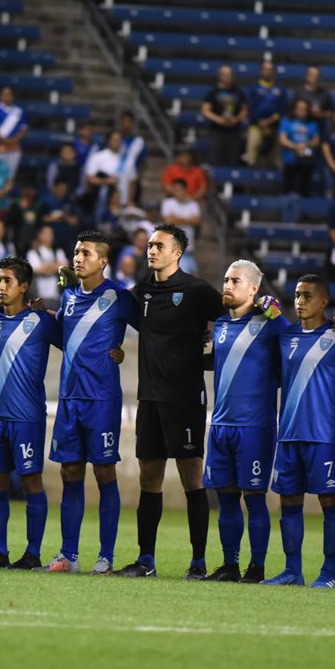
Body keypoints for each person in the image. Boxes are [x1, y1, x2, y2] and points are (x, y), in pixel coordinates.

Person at [117, 223, 225, 580]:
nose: (151, 250)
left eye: (159, 245)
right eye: (149, 245)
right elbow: (113, 312)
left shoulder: (196, 290)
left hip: (185, 398)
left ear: (177, 253)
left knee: (192, 477)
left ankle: (198, 562)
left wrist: (210, 354)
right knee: (150, 479)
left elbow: (232, 319)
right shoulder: (141, 291)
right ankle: (145, 559)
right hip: (149, 396)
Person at [38, 230, 133, 574]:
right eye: (76, 252)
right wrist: (43, 316)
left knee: (104, 471)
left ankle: (105, 557)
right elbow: (66, 339)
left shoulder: (120, 296)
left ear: (103, 262)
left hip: (102, 398)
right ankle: (69, 556)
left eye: (86, 253)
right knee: (70, 472)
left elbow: (151, 328)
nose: (78, 258)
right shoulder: (69, 297)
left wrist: (120, 351)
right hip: (69, 397)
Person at [263, 274, 335, 588]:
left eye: (307, 296)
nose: (300, 302)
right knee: (289, 502)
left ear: (324, 301)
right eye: (298, 296)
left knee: (329, 502)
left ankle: (329, 574)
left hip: (324, 437)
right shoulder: (285, 337)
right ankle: (293, 571)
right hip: (288, 435)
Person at [0, 256, 61, 568]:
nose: (0, 286)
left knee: (30, 482)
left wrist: (48, 309)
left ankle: (32, 554)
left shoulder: (41, 322)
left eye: (7, 281)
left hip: (27, 417)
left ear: (24, 286)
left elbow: (71, 341)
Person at [202, 260, 286, 583]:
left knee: (253, 497)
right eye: (225, 279)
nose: (227, 285)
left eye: (235, 281)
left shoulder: (268, 324)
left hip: (255, 427)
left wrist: (276, 315)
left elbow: (294, 344)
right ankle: (230, 564)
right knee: (225, 497)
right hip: (221, 426)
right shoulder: (221, 325)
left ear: (254, 289)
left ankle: (257, 567)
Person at [200, 65, 248, 168]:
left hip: (234, 131)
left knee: (233, 160)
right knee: (215, 160)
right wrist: (219, 120)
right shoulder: (213, 93)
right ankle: (216, 183)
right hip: (217, 131)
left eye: (229, 74)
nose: (227, 77)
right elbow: (205, 110)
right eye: (225, 74)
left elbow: (244, 110)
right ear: (220, 76)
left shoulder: (239, 92)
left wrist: (236, 119)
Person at [245, 61, 287, 168]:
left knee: (276, 157)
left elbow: (282, 108)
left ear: (274, 72)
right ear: (261, 71)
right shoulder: (254, 88)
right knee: (253, 146)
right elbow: (250, 107)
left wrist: (271, 121)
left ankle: (275, 177)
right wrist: (261, 123)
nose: (268, 72)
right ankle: (250, 176)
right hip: (256, 125)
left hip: (274, 126)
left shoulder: (280, 89)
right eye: (265, 69)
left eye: (270, 69)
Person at [279, 99, 320, 197]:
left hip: (306, 162)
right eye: (299, 108)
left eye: (304, 109)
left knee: (305, 192)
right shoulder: (287, 121)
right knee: (289, 191)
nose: (301, 111)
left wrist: (305, 145)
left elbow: (316, 141)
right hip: (290, 161)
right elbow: (282, 139)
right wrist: (296, 147)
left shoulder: (312, 124)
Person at [0, 86, 28, 180]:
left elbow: (24, 129)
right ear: (0, 96)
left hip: (14, 148)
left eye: (9, 94)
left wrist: (13, 140)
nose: (6, 97)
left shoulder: (19, 111)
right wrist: (3, 140)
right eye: (4, 94)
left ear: (12, 96)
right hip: (0, 147)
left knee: (10, 176)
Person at [25, 225, 67, 302]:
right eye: (46, 234)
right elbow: (37, 270)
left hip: (56, 296)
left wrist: (45, 267)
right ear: (40, 235)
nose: (49, 236)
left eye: (51, 234)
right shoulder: (32, 253)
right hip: (38, 298)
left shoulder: (59, 252)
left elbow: (65, 269)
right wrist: (55, 266)